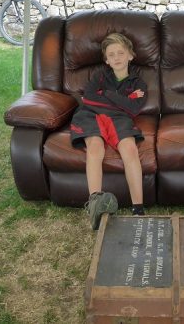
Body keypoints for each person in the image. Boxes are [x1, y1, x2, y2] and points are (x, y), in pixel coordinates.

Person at [70, 33, 147, 229]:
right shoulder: (99, 76)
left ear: (131, 55)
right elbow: (88, 99)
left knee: (129, 148)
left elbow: (133, 109)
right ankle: (95, 205)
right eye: (111, 54)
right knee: (95, 147)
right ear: (106, 60)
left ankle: (138, 207)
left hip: (119, 119)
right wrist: (122, 99)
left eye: (121, 52)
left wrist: (105, 94)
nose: (117, 57)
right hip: (90, 114)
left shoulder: (138, 84)